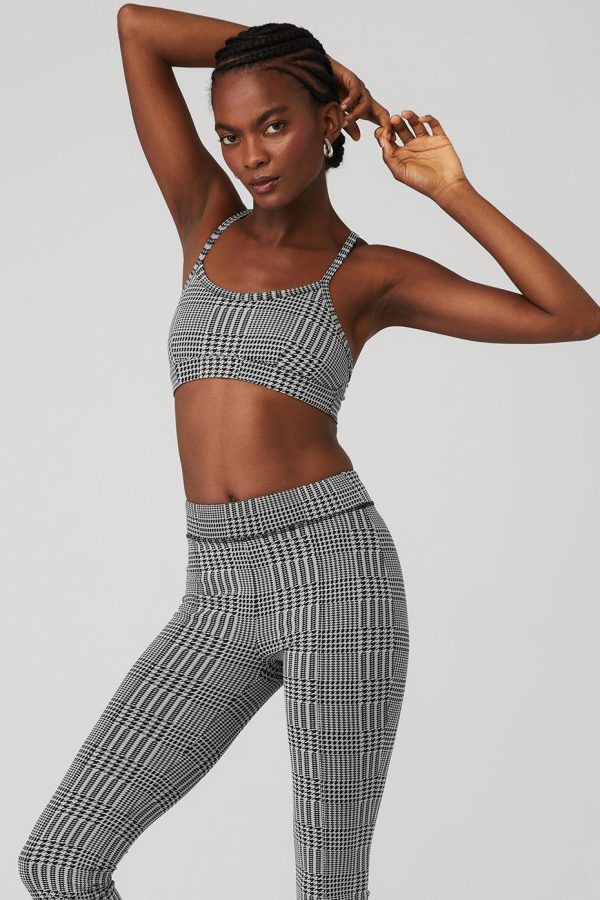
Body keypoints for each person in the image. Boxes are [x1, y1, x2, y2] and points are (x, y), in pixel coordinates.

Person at [18, 7, 600, 900]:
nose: (249, 156)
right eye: (231, 135)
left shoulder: (371, 275)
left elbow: (572, 316)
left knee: (329, 888)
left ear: (327, 125)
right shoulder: (205, 220)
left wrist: (451, 192)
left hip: (337, 581)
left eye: (275, 125)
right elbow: (138, 29)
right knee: (61, 862)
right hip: (215, 588)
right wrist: (328, 62)